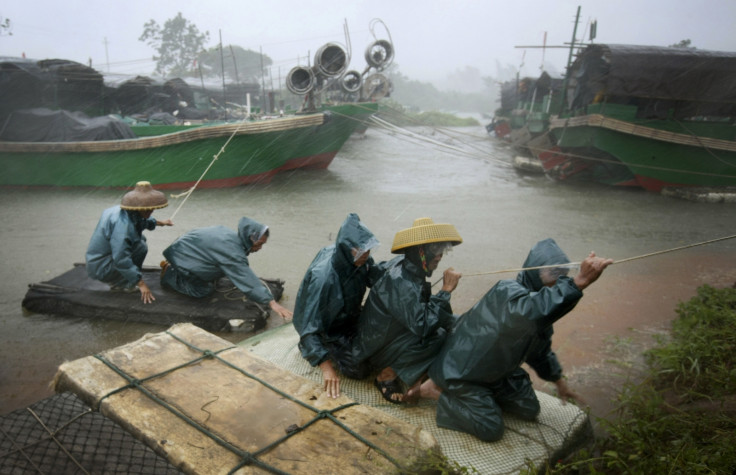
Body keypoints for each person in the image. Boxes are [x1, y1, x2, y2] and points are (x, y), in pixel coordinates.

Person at [407, 238, 613, 442]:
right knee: (490, 428)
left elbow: (541, 353)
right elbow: (532, 310)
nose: (558, 280)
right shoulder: (507, 292)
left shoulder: (541, 314)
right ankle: (434, 390)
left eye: (563, 275)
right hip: (463, 372)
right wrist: (579, 282)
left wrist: (559, 383)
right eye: (554, 274)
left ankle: (483, 396)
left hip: (496, 371)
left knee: (529, 409)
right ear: (534, 272)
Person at [353, 217, 463, 404]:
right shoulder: (401, 281)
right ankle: (385, 376)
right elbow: (424, 326)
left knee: (455, 322)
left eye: (442, 249)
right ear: (419, 251)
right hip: (373, 348)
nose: (439, 256)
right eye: (435, 250)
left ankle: (411, 369)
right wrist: (445, 291)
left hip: (384, 335)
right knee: (437, 336)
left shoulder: (406, 264)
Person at [292, 213, 386, 399]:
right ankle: (310, 348)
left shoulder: (362, 259)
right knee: (360, 370)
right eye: (359, 251)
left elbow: (376, 278)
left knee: (380, 345)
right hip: (325, 327)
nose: (365, 255)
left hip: (347, 315)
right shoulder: (325, 280)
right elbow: (309, 328)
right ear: (345, 249)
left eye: (368, 250)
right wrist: (327, 369)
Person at [159, 217, 292, 320]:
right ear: (250, 238)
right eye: (259, 244)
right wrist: (272, 303)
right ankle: (170, 275)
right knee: (203, 290)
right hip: (180, 255)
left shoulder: (232, 236)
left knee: (223, 269)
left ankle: (179, 268)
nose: (260, 248)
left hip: (183, 248)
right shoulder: (232, 252)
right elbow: (246, 279)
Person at [85, 181, 174, 304]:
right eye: (148, 209)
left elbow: (140, 220)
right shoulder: (123, 226)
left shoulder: (123, 211)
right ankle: (122, 284)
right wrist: (141, 283)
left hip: (100, 259)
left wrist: (160, 222)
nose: (151, 211)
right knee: (140, 246)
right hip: (102, 267)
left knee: (140, 240)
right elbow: (121, 258)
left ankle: (123, 279)